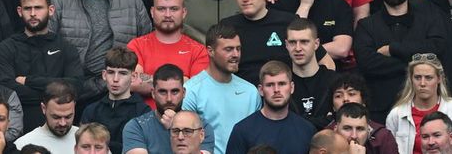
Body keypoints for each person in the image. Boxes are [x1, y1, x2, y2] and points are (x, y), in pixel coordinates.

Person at [355, 0, 449, 119]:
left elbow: (437, 48)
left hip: (426, 109)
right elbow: (367, 64)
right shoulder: (366, 25)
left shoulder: (428, 19)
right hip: (381, 109)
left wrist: (393, 50)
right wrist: (419, 62)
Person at [181, 23, 262, 154]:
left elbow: (257, 137)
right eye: (228, 49)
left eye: (238, 49)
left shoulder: (251, 92)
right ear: (210, 51)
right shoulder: (191, 91)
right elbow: (186, 140)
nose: (236, 54)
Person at [224, 61, 317, 153]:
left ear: (292, 87)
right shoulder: (242, 130)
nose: (276, 90)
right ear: (260, 90)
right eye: (270, 85)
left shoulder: (307, 130)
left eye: (282, 84)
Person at [123, 64, 217, 154]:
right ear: (153, 94)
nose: (169, 99)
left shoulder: (201, 126)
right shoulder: (137, 127)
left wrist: (175, 127)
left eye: (174, 92)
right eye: (162, 92)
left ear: (183, 93)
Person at [385, 57, 452, 154]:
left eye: (428, 78)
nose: (422, 83)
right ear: (411, 79)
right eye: (417, 77)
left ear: (439, 79)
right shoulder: (396, 115)